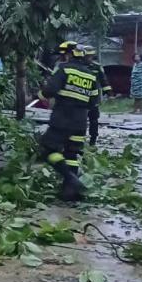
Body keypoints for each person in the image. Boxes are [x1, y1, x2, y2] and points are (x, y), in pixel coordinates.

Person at [38, 41, 100, 202]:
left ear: (69, 55)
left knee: (48, 151)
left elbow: (50, 91)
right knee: (71, 155)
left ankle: (70, 178)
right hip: (80, 123)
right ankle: (69, 193)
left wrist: (42, 92)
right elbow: (94, 102)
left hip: (62, 119)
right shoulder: (91, 75)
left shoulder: (64, 69)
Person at [83, 45, 112, 145]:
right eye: (86, 56)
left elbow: (104, 80)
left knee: (94, 120)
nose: (88, 58)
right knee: (79, 119)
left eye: (90, 56)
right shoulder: (78, 66)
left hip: (93, 98)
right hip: (80, 97)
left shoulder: (97, 67)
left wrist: (109, 92)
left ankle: (93, 140)